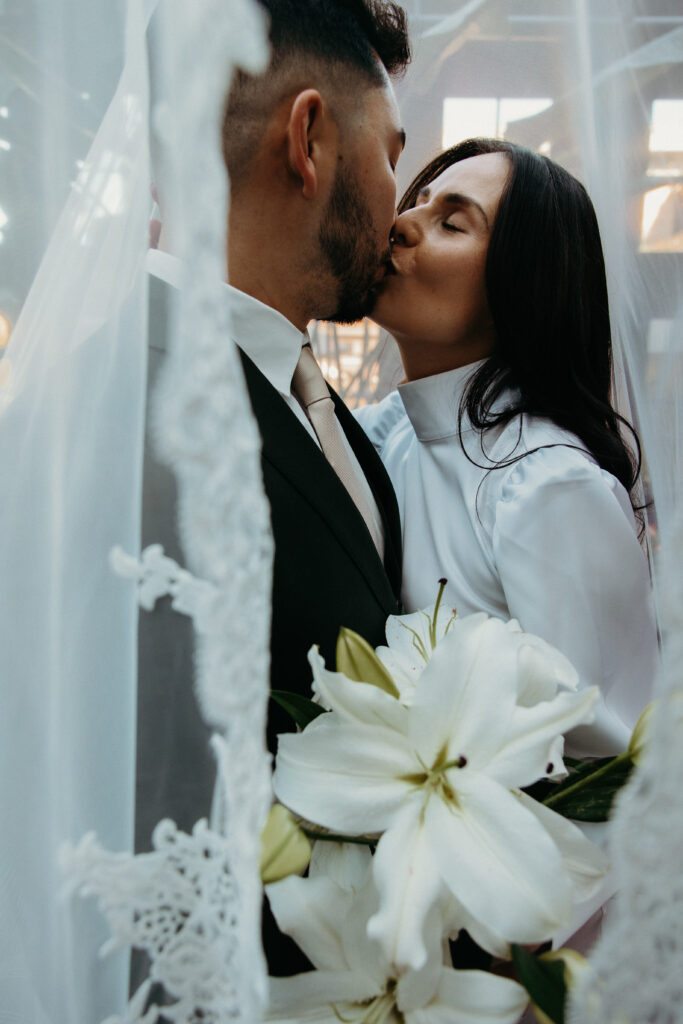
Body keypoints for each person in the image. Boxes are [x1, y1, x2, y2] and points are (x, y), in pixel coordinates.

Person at [136, 0, 410, 982]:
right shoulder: (145, 409)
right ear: (309, 141)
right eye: (390, 154)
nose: (400, 201)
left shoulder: (316, 399)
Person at [357, 137, 659, 763]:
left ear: (521, 282)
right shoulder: (387, 435)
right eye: (417, 201)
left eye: (452, 222)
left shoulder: (546, 485)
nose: (402, 224)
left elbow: (604, 760)